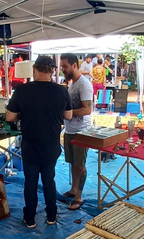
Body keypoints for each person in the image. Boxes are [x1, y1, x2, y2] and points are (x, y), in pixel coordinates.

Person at [6, 56, 72, 229]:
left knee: (31, 182)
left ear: (34, 69)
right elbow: (69, 115)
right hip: (51, 144)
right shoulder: (62, 90)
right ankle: (52, 216)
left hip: (30, 144)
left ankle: (30, 218)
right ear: (52, 71)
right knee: (49, 180)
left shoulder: (22, 90)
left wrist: (25, 113)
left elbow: (9, 116)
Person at [60, 53, 93, 210]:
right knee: (73, 163)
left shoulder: (84, 84)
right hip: (70, 130)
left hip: (81, 132)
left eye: (65, 66)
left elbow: (87, 110)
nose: (63, 70)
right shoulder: (72, 83)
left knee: (80, 165)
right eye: (62, 67)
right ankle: (73, 190)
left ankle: (79, 197)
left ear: (74, 65)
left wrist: (68, 113)